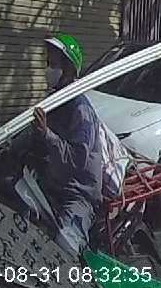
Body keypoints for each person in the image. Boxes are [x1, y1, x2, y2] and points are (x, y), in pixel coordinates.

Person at [30, 33, 105, 256]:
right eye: (47, 63)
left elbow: (77, 159)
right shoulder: (54, 101)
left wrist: (46, 134)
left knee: (64, 248)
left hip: (77, 193)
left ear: (69, 69)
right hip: (52, 183)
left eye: (53, 65)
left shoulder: (80, 109)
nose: (48, 70)